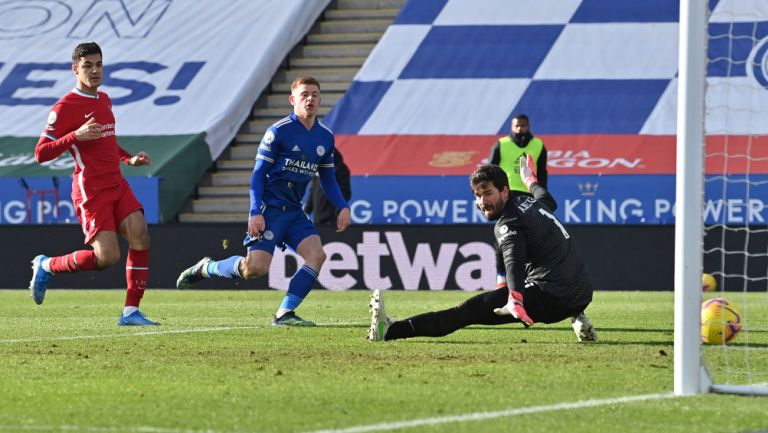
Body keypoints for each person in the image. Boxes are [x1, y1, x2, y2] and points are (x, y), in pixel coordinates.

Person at [176, 75, 351, 326]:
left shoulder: (325, 138)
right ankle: (207, 268)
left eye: (314, 94)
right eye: (304, 95)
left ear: (320, 99)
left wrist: (342, 205)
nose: (310, 99)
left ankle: (284, 314)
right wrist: (255, 210)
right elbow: (258, 173)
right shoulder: (278, 132)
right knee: (254, 269)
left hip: (294, 210)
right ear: (293, 100)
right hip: (270, 209)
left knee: (317, 255)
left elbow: (328, 180)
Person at [368, 156, 597, 342]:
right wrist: (531, 181)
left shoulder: (508, 222)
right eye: (478, 196)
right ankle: (578, 317)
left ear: (505, 191)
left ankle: (389, 331)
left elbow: (513, 261)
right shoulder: (528, 201)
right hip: (582, 293)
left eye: (488, 194)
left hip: (553, 299)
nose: (482, 202)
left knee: (468, 311)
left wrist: (515, 298)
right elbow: (548, 201)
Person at [28, 42, 158, 326]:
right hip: (91, 190)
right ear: (75, 69)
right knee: (107, 257)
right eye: (88, 66)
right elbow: (40, 153)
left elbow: (107, 141)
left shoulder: (104, 99)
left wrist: (129, 159)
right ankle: (47, 264)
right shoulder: (64, 108)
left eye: (99, 64)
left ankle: (131, 312)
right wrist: (74, 135)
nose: (95, 70)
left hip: (116, 183)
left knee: (140, 234)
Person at [488, 113, 548, 191]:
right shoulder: (501, 143)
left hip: (530, 190)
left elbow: (542, 171)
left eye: (523, 126)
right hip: (507, 190)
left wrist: (541, 189)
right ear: (512, 127)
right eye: (517, 126)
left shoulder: (538, 144)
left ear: (528, 126)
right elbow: (491, 169)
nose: (519, 128)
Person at [303, 148, 351, 226]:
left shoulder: (340, 170)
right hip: (318, 220)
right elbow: (312, 195)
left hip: (332, 222)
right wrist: (305, 213)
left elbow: (345, 193)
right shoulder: (317, 171)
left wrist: (337, 213)